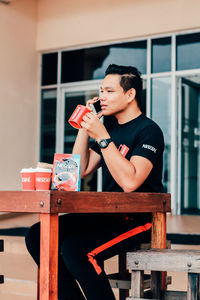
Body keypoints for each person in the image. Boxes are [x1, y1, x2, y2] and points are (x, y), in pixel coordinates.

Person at [25, 64, 164, 300]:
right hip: (107, 213)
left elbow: (130, 182)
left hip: (138, 218)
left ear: (130, 95)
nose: (102, 96)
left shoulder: (149, 131)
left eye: (109, 91)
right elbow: (81, 170)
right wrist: (85, 126)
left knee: (77, 250)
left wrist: (102, 137)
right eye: (101, 90)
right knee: (37, 235)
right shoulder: (108, 127)